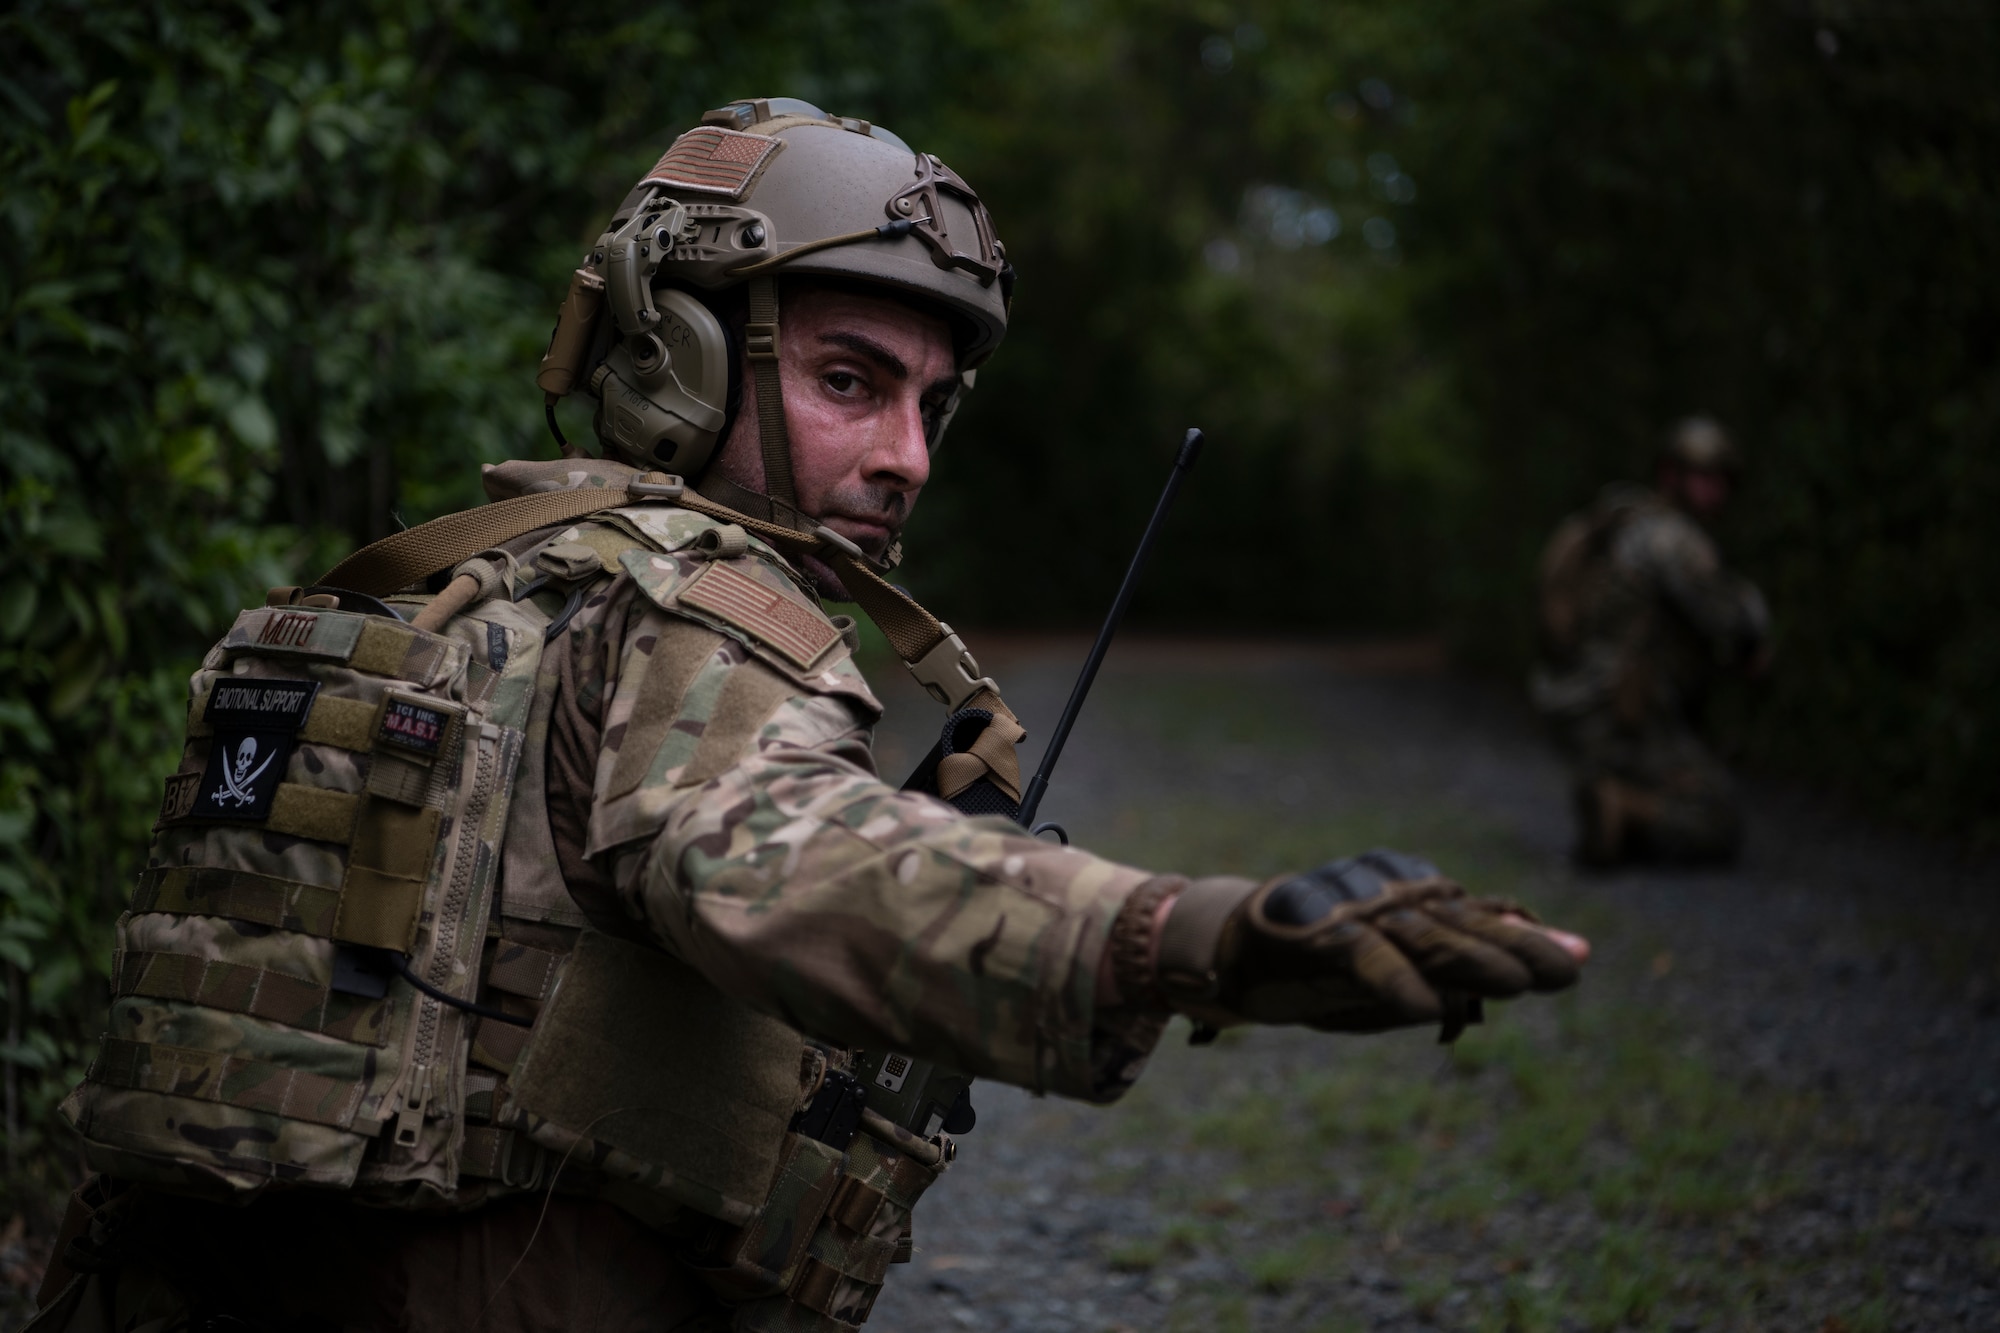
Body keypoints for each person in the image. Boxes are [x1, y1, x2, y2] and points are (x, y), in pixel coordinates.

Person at [36, 99, 1589, 1333]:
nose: (908, 454)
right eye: (854, 381)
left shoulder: (449, 592)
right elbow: (791, 855)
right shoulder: (694, 617)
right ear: (682, 355)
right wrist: (1179, 935)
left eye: (932, 405)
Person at [1532, 416, 1772, 866]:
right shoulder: (1673, 538)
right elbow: (1731, 620)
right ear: (1670, 475)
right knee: (1717, 821)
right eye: (1702, 478)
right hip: (1625, 716)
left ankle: (1621, 812)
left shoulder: (1622, 524)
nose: (1713, 492)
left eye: (1720, 480)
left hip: (1582, 708)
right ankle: (1623, 802)